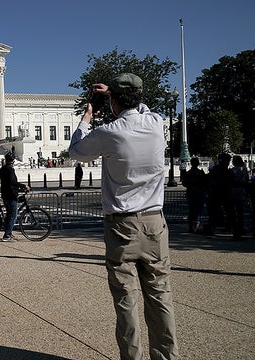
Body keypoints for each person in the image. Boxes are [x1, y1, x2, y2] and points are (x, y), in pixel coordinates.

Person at [69, 73, 179, 359]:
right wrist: (115, 95)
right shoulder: (156, 125)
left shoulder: (109, 132)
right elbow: (141, 109)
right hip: (155, 221)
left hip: (122, 225)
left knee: (126, 300)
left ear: (114, 101)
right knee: (160, 295)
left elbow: (76, 152)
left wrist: (87, 117)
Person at [0, 152, 29, 242]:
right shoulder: (10, 169)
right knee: (13, 216)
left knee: (9, 215)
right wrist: (23, 186)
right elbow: (12, 182)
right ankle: (7, 235)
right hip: (11, 195)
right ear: (12, 161)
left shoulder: (2, 168)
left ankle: (9, 232)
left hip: (5, 194)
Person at [203, 153, 234, 235]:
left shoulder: (216, 170)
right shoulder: (227, 172)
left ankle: (213, 227)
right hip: (222, 193)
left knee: (214, 212)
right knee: (226, 211)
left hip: (216, 193)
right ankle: (226, 226)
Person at [182, 157, 208, 232]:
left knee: (191, 210)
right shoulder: (200, 173)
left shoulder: (188, 173)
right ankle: (196, 227)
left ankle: (190, 227)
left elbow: (184, 183)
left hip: (190, 193)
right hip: (199, 193)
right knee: (198, 211)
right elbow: (205, 183)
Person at [230, 155, 249, 240]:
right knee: (240, 212)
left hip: (233, 191)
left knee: (234, 212)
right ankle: (240, 229)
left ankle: (235, 230)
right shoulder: (244, 170)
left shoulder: (232, 170)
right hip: (242, 191)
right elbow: (247, 180)